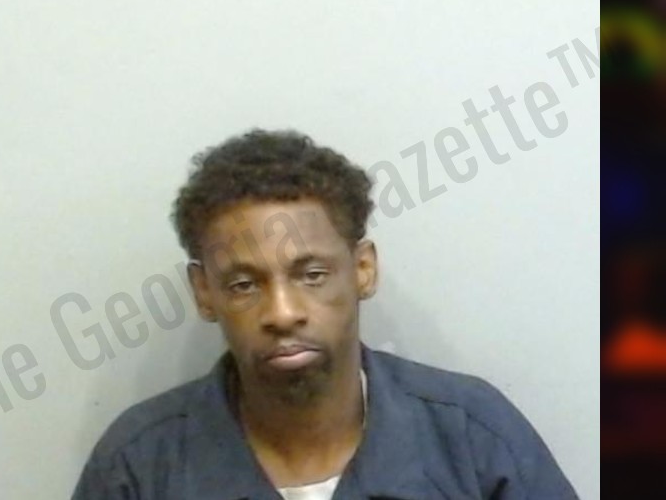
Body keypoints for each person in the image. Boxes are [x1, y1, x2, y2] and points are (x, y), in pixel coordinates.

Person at [73, 129, 577, 499]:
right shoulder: (138, 466)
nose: (282, 312)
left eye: (311, 275)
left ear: (362, 270)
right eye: (244, 284)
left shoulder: (471, 436)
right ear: (205, 293)